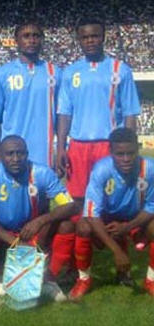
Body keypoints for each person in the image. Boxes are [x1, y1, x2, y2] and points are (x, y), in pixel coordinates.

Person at [0, 135, 77, 300]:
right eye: (10, 154)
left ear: (27, 154)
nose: (15, 159)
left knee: (67, 226)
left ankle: (48, 278)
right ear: (0, 154)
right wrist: (15, 242)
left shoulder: (42, 173)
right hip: (3, 232)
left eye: (20, 153)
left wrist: (41, 220)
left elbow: (69, 205)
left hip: (34, 232)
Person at [56, 17, 140, 222]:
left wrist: (127, 147)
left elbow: (130, 112)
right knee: (76, 201)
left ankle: (111, 238)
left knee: (109, 198)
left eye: (94, 36)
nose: (90, 40)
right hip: (78, 145)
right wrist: (60, 148)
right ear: (79, 40)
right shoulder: (70, 72)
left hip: (108, 145)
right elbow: (64, 113)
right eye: (85, 37)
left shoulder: (120, 69)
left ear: (103, 38)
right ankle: (80, 243)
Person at [70, 128, 154, 300]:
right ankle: (84, 279)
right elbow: (92, 214)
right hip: (106, 219)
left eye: (130, 153)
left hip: (134, 219)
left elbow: (152, 206)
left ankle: (151, 280)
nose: (126, 159)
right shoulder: (101, 169)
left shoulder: (149, 169)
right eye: (119, 154)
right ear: (110, 152)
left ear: (138, 149)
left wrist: (127, 227)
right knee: (83, 227)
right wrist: (116, 251)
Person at [0, 21, 61, 167]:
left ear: (42, 40)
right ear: (16, 41)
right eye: (26, 36)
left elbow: (61, 116)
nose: (31, 40)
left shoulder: (56, 73)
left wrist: (60, 149)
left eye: (36, 36)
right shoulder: (2, 74)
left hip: (44, 152)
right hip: (12, 152)